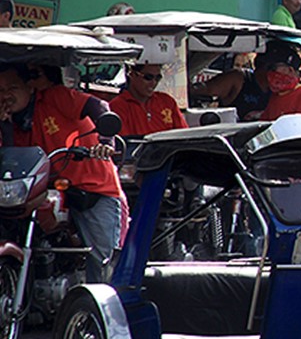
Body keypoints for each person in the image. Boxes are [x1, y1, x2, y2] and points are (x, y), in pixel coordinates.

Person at [0, 63, 126, 282]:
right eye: (0, 90)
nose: (6, 96)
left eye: (12, 88)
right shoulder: (8, 121)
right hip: (42, 191)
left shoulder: (55, 98)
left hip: (90, 187)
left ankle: (102, 309)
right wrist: (6, 127)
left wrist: (105, 140)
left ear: (30, 87)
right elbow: (9, 160)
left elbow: (97, 106)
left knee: (102, 260)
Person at [193, 39, 301, 121]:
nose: (289, 77)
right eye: (286, 70)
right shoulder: (238, 79)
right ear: (266, 66)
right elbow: (205, 89)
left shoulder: (284, 93)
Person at [109, 64, 189, 135]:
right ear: (132, 74)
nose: (153, 83)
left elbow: (183, 136)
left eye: (158, 78)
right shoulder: (117, 106)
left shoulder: (167, 101)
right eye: (148, 77)